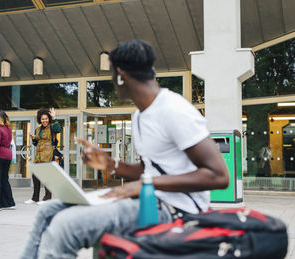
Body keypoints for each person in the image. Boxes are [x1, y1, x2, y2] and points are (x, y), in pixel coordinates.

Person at [20, 40, 229, 259]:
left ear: (121, 74)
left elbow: (219, 175)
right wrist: (110, 165)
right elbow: (150, 169)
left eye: (112, 75)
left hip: (176, 208)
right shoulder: (140, 115)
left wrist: (144, 185)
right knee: (47, 211)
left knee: (65, 225)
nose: (113, 81)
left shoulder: (173, 110)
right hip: (150, 198)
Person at [25, 108, 61, 204]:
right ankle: (35, 198)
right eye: (42, 119)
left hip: (49, 154)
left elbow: (58, 130)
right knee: (35, 175)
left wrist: (54, 118)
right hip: (39, 154)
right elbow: (36, 143)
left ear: (48, 119)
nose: (44, 121)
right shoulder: (38, 129)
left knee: (47, 176)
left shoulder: (52, 126)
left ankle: (47, 198)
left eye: (46, 119)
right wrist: (33, 138)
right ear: (39, 120)